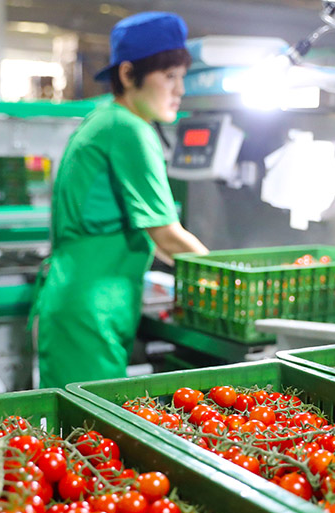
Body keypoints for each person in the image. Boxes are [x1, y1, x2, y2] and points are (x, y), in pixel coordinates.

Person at [33, 11, 209, 388]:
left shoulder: (105, 119)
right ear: (129, 75)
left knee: (79, 435)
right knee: (90, 437)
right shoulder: (128, 128)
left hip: (82, 301)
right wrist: (225, 278)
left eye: (182, 77)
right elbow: (166, 235)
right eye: (168, 76)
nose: (179, 90)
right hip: (91, 308)